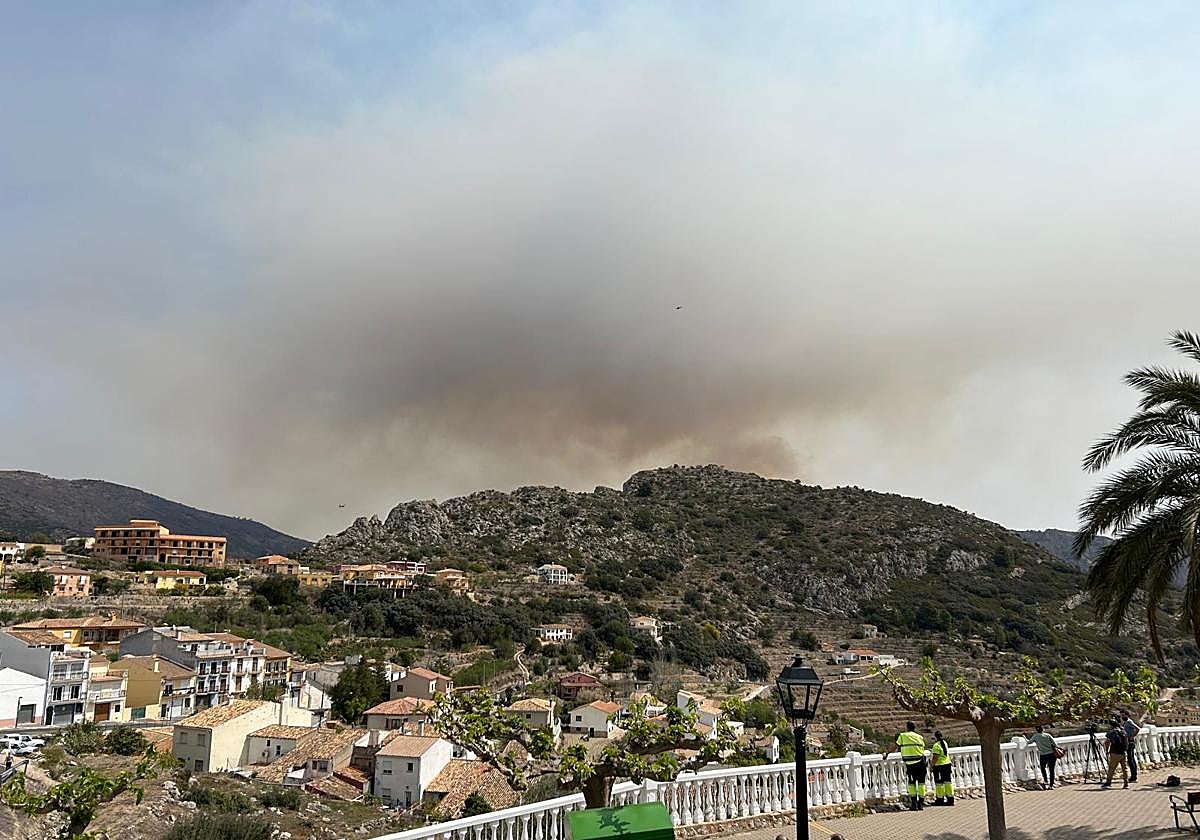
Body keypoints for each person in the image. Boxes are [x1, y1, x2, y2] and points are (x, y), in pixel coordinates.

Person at [889, 720, 927, 810]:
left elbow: (895, 746)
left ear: (907, 727)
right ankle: (921, 803)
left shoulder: (903, 736)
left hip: (910, 764)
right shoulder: (920, 737)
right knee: (921, 783)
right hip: (921, 762)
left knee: (911, 783)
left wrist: (887, 753)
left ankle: (914, 803)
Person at [1101, 715, 1129, 789]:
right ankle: (1126, 783)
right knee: (1125, 769)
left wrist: (1107, 750)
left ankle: (1108, 782)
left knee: (1111, 768)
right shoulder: (1123, 731)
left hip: (1115, 752)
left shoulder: (1112, 732)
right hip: (1123, 752)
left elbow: (1107, 742)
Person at [929, 729, 955, 805]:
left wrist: (931, 766)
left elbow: (935, 758)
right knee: (948, 782)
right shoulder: (944, 742)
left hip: (939, 766)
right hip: (947, 764)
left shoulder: (936, 746)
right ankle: (950, 799)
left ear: (935, 737)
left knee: (939, 783)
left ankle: (940, 799)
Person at [1029, 725, 1058, 789]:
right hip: (1051, 754)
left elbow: (1029, 742)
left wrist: (1024, 737)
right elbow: (1055, 744)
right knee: (1051, 770)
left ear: (1036, 730)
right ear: (1043, 729)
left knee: (1043, 768)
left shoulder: (1035, 736)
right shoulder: (1048, 735)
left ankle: (1046, 781)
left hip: (1043, 755)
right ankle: (1051, 785)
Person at [1122, 710, 1141, 783]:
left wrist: (1132, 736)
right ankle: (1133, 775)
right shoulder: (1125, 722)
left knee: (1130, 759)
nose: (1122, 717)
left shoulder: (1129, 722)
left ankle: (1134, 776)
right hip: (1127, 742)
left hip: (1130, 742)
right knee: (1130, 758)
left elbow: (1137, 728)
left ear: (1127, 715)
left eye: (1123, 715)